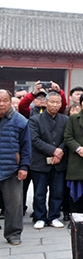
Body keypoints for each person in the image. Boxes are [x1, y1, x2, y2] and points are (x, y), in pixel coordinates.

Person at [28, 92, 68, 229]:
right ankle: (40, 216)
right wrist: (53, 150)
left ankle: (54, 216)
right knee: (39, 192)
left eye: (58, 102)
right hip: (40, 161)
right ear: (45, 102)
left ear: (61, 104)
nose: (55, 105)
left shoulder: (65, 120)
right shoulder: (35, 119)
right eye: (52, 102)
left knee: (57, 192)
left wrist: (60, 150)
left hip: (59, 161)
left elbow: (67, 138)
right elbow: (34, 140)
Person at [0, 89, 31, 246]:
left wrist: (24, 166)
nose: (1, 104)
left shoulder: (20, 121)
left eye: (5, 100)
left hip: (11, 168)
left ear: (10, 101)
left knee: (14, 204)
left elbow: (26, 146)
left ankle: (13, 234)